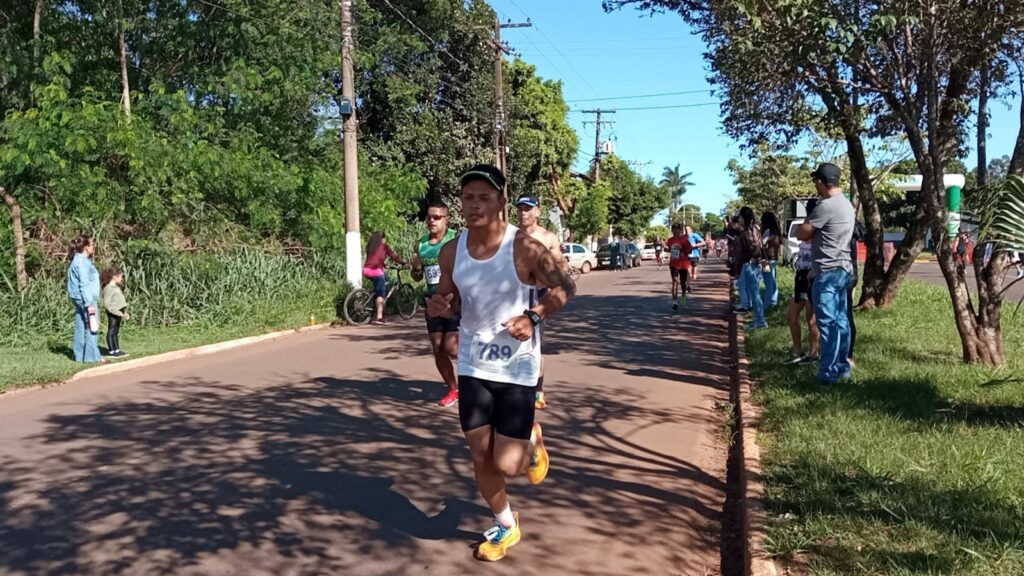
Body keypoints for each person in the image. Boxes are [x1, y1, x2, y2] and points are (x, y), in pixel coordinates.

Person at [427, 164, 575, 562]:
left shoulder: (524, 247)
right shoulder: (451, 251)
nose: (475, 205)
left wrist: (535, 316)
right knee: (480, 456)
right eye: (468, 197)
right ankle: (507, 525)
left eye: (484, 198)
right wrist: (442, 303)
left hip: (516, 368)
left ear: (500, 203)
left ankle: (531, 436)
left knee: (508, 465)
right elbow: (448, 297)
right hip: (475, 366)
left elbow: (566, 286)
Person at [798, 163, 856, 384]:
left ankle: (828, 373)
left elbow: (803, 233)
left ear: (821, 182)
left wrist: (804, 225)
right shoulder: (847, 205)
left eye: (816, 181)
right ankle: (842, 367)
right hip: (843, 269)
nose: (815, 185)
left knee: (828, 323)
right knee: (841, 321)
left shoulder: (826, 206)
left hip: (827, 272)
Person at [516, 194, 564, 410]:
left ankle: (537, 389)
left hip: (539, 296)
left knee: (534, 344)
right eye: (520, 209)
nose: (523, 213)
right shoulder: (510, 236)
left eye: (528, 208)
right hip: (514, 295)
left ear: (538, 211)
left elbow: (560, 266)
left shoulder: (548, 237)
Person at [410, 200, 460, 407]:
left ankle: (475, 382)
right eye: (429, 217)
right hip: (432, 303)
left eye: (437, 217)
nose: (432, 220)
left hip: (455, 302)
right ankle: (453, 389)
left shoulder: (455, 239)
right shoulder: (420, 244)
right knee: (438, 348)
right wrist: (415, 269)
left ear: (446, 219)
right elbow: (417, 277)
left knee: (453, 348)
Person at [785, 228, 819, 364]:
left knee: (811, 320)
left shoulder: (818, 240)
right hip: (800, 278)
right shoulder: (804, 238)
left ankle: (814, 354)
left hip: (811, 279)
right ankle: (797, 352)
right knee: (792, 316)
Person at [66, 234, 102, 363]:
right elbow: (84, 284)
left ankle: (80, 356)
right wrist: (89, 303)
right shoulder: (82, 262)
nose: (93, 247)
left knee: (80, 326)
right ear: (86, 247)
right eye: (92, 245)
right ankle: (92, 358)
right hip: (86, 299)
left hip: (78, 298)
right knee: (92, 325)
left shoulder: (77, 260)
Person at [363, 231, 408, 325]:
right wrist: (403, 263)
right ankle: (379, 317)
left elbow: (374, 259)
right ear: (382, 239)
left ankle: (376, 300)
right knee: (381, 293)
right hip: (376, 272)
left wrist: (383, 265)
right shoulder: (384, 247)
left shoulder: (371, 247)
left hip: (366, 271)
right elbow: (395, 257)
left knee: (385, 278)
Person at [737, 207, 766, 330]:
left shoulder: (747, 232)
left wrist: (753, 257)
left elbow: (753, 247)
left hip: (750, 263)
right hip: (754, 263)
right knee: (754, 292)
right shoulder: (756, 228)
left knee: (754, 293)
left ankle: (760, 320)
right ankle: (758, 319)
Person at [847, 220, 866, 368]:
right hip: (851, 273)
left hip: (842, 273)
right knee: (846, 315)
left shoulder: (842, 223)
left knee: (843, 316)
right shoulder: (853, 224)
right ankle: (848, 355)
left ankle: (846, 355)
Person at [101, 266, 130, 358]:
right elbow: (107, 304)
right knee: (111, 330)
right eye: (120, 277)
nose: (121, 279)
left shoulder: (115, 287)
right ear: (114, 277)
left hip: (118, 312)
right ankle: (112, 351)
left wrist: (124, 312)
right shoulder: (108, 288)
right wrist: (117, 312)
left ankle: (117, 349)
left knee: (116, 331)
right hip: (113, 312)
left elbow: (119, 301)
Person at [666, 223, 693, 310]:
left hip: (683, 263)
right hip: (673, 263)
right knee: (675, 282)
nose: (675, 231)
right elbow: (670, 249)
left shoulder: (684, 239)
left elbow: (690, 250)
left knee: (683, 282)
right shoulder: (670, 240)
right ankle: (674, 302)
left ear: (680, 230)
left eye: (677, 229)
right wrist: (668, 249)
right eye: (673, 229)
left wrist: (682, 250)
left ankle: (683, 295)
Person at [760, 212, 782, 308]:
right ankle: (774, 300)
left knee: (768, 281)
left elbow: (762, 243)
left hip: (767, 259)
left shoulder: (767, 231)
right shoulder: (776, 231)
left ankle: (768, 302)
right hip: (774, 257)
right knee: (773, 280)